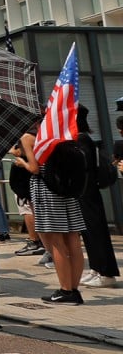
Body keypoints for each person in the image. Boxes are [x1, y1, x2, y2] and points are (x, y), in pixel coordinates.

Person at [14, 127, 85, 304]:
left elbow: (35, 168)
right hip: (66, 190)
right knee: (73, 240)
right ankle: (74, 289)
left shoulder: (28, 137)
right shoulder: (61, 133)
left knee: (56, 243)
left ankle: (65, 290)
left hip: (46, 190)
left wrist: (21, 162)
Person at [75, 106, 119, 288]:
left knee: (96, 232)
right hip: (84, 192)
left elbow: (82, 167)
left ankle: (107, 272)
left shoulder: (82, 139)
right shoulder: (82, 138)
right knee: (88, 232)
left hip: (88, 192)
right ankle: (96, 268)